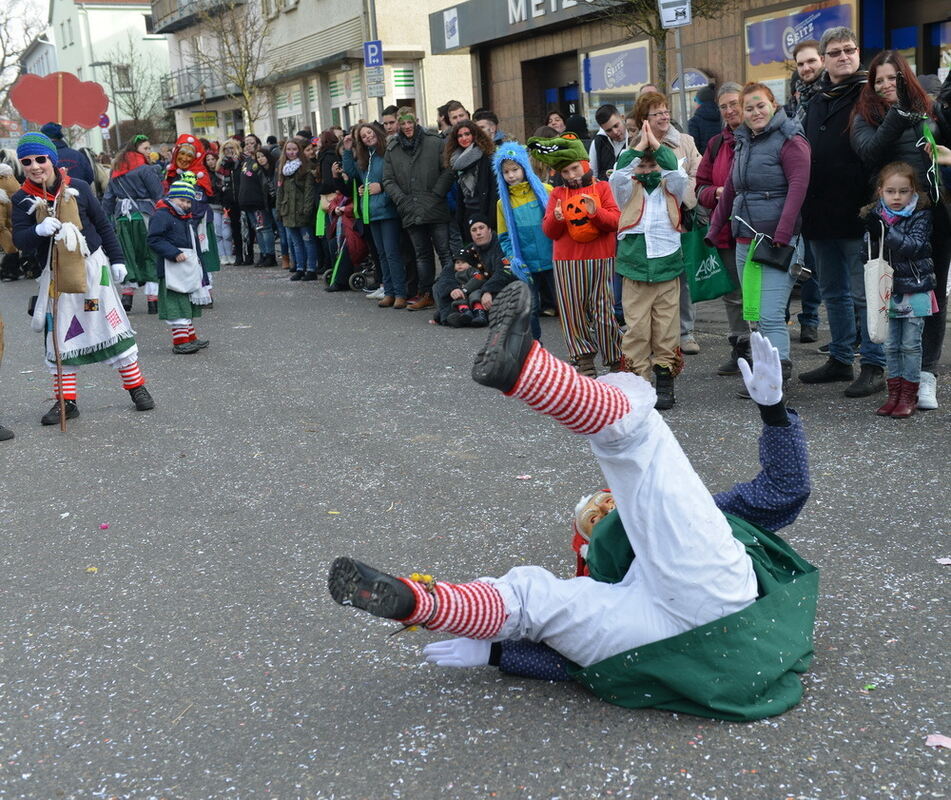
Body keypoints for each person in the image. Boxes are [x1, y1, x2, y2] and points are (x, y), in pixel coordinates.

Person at [329, 283, 817, 722]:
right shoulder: (629, 565)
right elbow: (580, 653)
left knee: (539, 591)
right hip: (690, 624)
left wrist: (774, 413)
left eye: (601, 506)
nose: (604, 508)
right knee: (536, 595)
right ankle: (423, 602)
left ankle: (426, 601)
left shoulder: (674, 528)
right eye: (596, 515)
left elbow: (783, 492)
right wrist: (497, 654)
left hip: (695, 623)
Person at [11, 132, 155, 423]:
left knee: (109, 323)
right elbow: (19, 240)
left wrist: (117, 260)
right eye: (27, 161)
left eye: (41, 159)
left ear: (51, 159)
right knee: (61, 335)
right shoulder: (22, 198)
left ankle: (136, 387)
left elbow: (103, 224)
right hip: (56, 277)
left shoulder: (77, 188)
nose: (35, 166)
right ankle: (67, 402)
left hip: (92, 271)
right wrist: (37, 231)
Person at [850, 50, 948, 411]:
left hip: (933, 214)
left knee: (932, 291)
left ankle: (925, 375)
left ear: (905, 78)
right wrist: (898, 115)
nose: (886, 85)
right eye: (879, 80)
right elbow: (870, 154)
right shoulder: (865, 116)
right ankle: (897, 379)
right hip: (888, 220)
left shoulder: (931, 109)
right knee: (887, 292)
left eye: (893, 78)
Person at [799, 26, 885, 398]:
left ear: (857, 52)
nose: (843, 56)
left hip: (858, 210)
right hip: (819, 212)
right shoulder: (817, 98)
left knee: (864, 293)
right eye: (835, 52)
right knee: (832, 292)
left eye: (849, 49)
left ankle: (873, 363)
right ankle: (839, 358)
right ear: (826, 58)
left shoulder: (871, 94)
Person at [708, 82, 810, 395]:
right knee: (754, 314)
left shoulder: (791, 139)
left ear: (773, 105)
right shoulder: (743, 142)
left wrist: (782, 233)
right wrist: (715, 228)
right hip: (744, 240)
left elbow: (797, 188)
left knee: (769, 314)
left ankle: (777, 378)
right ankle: (766, 373)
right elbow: (731, 186)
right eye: (748, 108)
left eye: (760, 106)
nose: (755, 113)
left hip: (779, 242)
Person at [527, 133, 623, 375]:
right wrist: (557, 220)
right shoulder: (558, 194)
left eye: (574, 169)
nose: (571, 176)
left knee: (604, 313)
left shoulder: (602, 188)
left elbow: (615, 221)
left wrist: (595, 213)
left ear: (584, 163)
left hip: (601, 258)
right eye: (566, 172)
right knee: (573, 313)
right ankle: (584, 360)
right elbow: (549, 230)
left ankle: (614, 359)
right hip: (567, 262)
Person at [609, 123, 689, 410]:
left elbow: (675, 170)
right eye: (641, 166)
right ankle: (638, 384)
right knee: (638, 329)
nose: (646, 170)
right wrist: (639, 146)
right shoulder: (625, 189)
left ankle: (664, 379)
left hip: (667, 266)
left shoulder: (673, 188)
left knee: (666, 329)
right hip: (635, 270)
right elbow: (619, 170)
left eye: (652, 165)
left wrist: (655, 143)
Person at [860, 162, 936, 418]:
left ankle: (908, 395)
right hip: (887, 291)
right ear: (880, 191)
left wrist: (885, 231)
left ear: (913, 191)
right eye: (891, 191)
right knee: (891, 345)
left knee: (911, 345)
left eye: (903, 191)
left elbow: (914, 246)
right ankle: (893, 394)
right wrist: (872, 235)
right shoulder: (873, 215)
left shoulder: (921, 215)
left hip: (915, 289)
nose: (896, 197)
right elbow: (866, 255)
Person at [630, 91, 703, 354]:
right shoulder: (636, 145)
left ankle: (685, 332)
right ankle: (654, 332)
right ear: (644, 119)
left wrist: (681, 197)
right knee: (651, 277)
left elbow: (698, 173)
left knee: (680, 276)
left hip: (680, 216)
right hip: (648, 220)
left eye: (665, 111)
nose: (664, 116)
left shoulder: (685, 141)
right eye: (656, 113)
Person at [696, 82, 749, 376]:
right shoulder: (716, 144)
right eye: (724, 106)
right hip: (726, 228)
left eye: (734, 104)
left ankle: (764, 350)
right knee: (732, 294)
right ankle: (740, 350)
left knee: (757, 294)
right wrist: (715, 193)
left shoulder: (760, 138)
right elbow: (700, 186)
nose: (730, 111)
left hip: (757, 229)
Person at [383, 107, 454, 311]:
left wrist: (436, 195)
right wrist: (402, 201)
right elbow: (388, 180)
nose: (406, 127)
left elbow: (447, 170)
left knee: (444, 253)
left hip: (435, 206)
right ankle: (426, 294)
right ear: (398, 123)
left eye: (410, 122)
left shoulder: (434, 141)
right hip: (410, 209)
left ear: (416, 121)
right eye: (402, 123)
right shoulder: (393, 148)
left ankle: (451, 292)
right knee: (422, 255)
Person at [493, 141, 554, 335]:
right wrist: (514, 259)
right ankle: (535, 349)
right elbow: (504, 237)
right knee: (531, 309)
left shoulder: (546, 191)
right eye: (506, 172)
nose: (511, 175)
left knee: (566, 306)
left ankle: (577, 350)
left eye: (515, 169)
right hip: (526, 264)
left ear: (524, 167)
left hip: (553, 259)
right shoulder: (503, 204)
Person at [343, 122, 405, 307]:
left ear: (376, 132)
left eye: (369, 133)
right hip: (371, 211)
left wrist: (382, 188)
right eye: (363, 136)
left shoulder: (387, 153)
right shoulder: (365, 157)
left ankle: (400, 293)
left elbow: (398, 178)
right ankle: (389, 291)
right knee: (382, 254)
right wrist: (347, 150)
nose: (368, 137)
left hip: (387, 211)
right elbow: (352, 172)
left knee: (392, 253)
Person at [102, 134, 164, 315]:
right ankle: (153, 300)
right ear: (135, 149)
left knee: (127, 256)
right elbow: (158, 193)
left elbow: (108, 199)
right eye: (146, 148)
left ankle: (127, 297)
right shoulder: (145, 169)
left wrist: (106, 220)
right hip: (144, 216)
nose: (149, 152)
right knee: (150, 255)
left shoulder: (116, 169)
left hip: (122, 218)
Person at [147, 180, 211, 354]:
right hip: (171, 269)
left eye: (189, 201)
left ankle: (190, 337)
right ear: (172, 198)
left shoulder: (184, 217)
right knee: (177, 304)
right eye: (181, 200)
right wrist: (173, 252)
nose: (185, 204)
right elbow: (154, 239)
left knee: (185, 302)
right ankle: (180, 341)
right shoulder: (162, 215)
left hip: (185, 267)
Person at [434, 216, 507, 326]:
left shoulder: (501, 246)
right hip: (473, 288)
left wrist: (489, 290)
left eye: (481, 228)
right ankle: (461, 315)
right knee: (438, 285)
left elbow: (505, 272)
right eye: (474, 230)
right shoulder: (470, 249)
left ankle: (469, 315)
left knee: (484, 295)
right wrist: (453, 289)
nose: (478, 233)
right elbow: (447, 271)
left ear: (489, 230)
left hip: (496, 287)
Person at [444, 120, 498, 240]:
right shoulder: (456, 161)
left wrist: (491, 219)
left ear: (474, 135)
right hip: (467, 212)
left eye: (467, 134)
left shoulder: (486, 156)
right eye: (460, 136)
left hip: (485, 211)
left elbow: (493, 190)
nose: (464, 138)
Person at [277, 137, 318, 281]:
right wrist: (279, 210)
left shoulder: (305, 167)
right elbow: (280, 192)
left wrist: (307, 210)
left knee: (308, 241)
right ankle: (300, 268)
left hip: (301, 211)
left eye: (294, 149)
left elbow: (309, 192)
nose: (291, 152)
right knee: (295, 243)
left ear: (299, 151)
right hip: (288, 211)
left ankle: (311, 268)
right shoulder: (283, 168)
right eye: (289, 149)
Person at [236, 135, 277, 267]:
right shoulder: (246, 161)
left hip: (258, 201)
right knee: (257, 229)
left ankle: (270, 255)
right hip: (247, 202)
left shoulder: (259, 162)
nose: (248, 146)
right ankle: (263, 254)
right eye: (246, 143)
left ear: (258, 145)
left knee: (265, 228)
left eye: (251, 143)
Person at [218, 139, 246, 265]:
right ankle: (239, 255)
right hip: (230, 202)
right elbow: (220, 185)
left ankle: (248, 255)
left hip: (244, 199)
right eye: (226, 148)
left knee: (247, 228)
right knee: (234, 229)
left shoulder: (241, 162)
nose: (229, 151)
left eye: (231, 148)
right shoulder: (221, 164)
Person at [204, 149, 233, 266]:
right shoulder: (206, 175)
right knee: (218, 233)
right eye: (208, 160)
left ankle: (230, 254)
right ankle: (222, 256)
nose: (211, 162)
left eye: (213, 159)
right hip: (213, 206)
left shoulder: (223, 171)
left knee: (227, 233)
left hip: (225, 206)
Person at [785, 40, 824, 122]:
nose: (806, 68)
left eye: (811, 61)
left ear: (823, 60)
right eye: (800, 64)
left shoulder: (832, 91)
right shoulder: (798, 99)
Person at [588, 104, 628, 181]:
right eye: (609, 130)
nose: (615, 132)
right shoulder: (598, 142)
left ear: (622, 117)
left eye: (616, 125)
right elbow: (593, 176)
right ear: (602, 129)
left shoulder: (636, 138)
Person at [687, 84, 722, 154]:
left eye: (695, 100)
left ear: (699, 102)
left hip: (704, 161)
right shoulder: (722, 116)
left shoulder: (694, 122)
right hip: (722, 159)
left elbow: (694, 148)